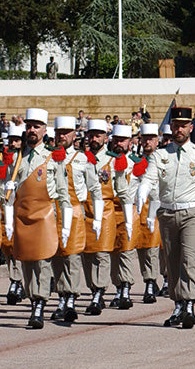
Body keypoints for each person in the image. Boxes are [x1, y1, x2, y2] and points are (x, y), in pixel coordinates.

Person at [137, 106, 195, 329]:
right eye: (175, 126)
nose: (179, 130)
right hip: (167, 213)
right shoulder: (160, 154)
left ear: (191, 127)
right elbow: (149, 177)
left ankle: (190, 304)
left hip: (191, 213)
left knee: (189, 258)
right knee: (172, 262)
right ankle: (177, 304)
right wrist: (142, 191)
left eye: (183, 126)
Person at [2, 108, 72, 329]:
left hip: (44, 215)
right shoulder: (18, 157)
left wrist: (66, 225)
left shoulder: (53, 157)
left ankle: (39, 305)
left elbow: (62, 192)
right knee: (26, 261)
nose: (32, 130)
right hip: (23, 216)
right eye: (29, 126)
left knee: (42, 262)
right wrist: (7, 192)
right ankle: (34, 297)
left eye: (36, 126)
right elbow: (7, 193)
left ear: (44, 130)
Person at [50, 116, 102, 324]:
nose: (62, 136)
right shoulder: (50, 158)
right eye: (59, 132)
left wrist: (97, 218)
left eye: (66, 132)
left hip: (74, 210)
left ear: (74, 135)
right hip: (53, 211)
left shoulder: (83, 159)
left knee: (72, 256)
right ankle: (62, 297)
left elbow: (95, 189)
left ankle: (71, 297)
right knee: (56, 257)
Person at [81, 119, 117, 316]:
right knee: (87, 254)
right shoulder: (81, 159)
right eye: (91, 135)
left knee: (102, 252)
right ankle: (94, 289)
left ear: (105, 138)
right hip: (84, 209)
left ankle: (99, 291)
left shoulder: (112, 161)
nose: (94, 139)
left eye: (98, 135)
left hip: (105, 210)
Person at [104, 125, 138, 311]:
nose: (118, 143)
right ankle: (117, 286)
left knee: (125, 249)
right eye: (116, 140)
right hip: (109, 210)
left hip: (127, 210)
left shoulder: (136, 163)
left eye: (122, 140)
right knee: (112, 251)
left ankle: (125, 287)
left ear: (129, 142)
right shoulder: (106, 162)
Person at [131, 123, 163, 303]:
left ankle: (156, 280)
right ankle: (150, 279)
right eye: (145, 138)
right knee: (143, 247)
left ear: (157, 140)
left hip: (159, 207)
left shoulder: (163, 159)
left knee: (156, 248)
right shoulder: (136, 161)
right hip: (140, 209)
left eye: (151, 138)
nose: (147, 142)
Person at [1, 124, 25, 305]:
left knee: (20, 246)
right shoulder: (4, 158)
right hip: (4, 206)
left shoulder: (24, 158)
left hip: (21, 207)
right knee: (8, 246)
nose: (13, 144)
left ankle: (18, 281)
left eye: (16, 140)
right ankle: (15, 280)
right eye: (10, 141)